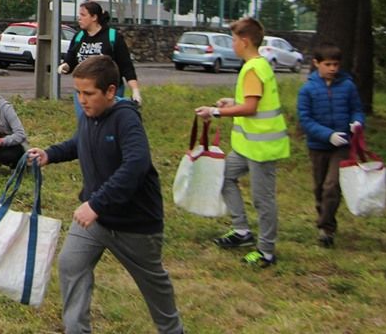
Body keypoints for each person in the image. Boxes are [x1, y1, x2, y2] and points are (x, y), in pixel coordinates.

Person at [28, 55, 183, 334]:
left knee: (154, 286)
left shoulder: (125, 119)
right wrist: (50, 154)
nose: (82, 100)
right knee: (70, 263)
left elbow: (136, 165)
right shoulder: (90, 115)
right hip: (95, 221)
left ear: (111, 91)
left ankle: (172, 330)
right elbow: (80, 142)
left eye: (88, 93)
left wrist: (96, 203)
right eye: (77, 93)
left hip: (134, 225)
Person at [195, 17, 289, 268]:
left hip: (262, 148)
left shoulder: (252, 68)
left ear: (244, 41)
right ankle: (242, 232)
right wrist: (230, 101)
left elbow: (250, 107)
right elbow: (251, 100)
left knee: (263, 199)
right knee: (224, 177)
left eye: (234, 39)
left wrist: (214, 112)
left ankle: (266, 251)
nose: (233, 44)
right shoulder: (257, 65)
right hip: (248, 146)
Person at [297, 41, 365, 248]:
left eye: (336, 64)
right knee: (319, 187)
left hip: (342, 146)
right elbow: (305, 119)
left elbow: (357, 109)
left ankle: (327, 228)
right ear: (317, 63)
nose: (333, 69)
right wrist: (327, 135)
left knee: (331, 186)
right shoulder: (307, 89)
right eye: (328, 64)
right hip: (318, 146)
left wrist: (357, 122)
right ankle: (323, 219)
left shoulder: (347, 86)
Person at [59, 0, 141, 106]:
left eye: (83, 15)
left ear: (94, 17)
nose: (79, 18)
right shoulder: (78, 37)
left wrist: (135, 90)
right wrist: (65, 66)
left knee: (107, 120)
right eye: (79, 15)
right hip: (84, 89)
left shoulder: (112, 37)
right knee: (85, 121)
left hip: (107, 90)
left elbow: (126, 66)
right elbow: (71, 60)